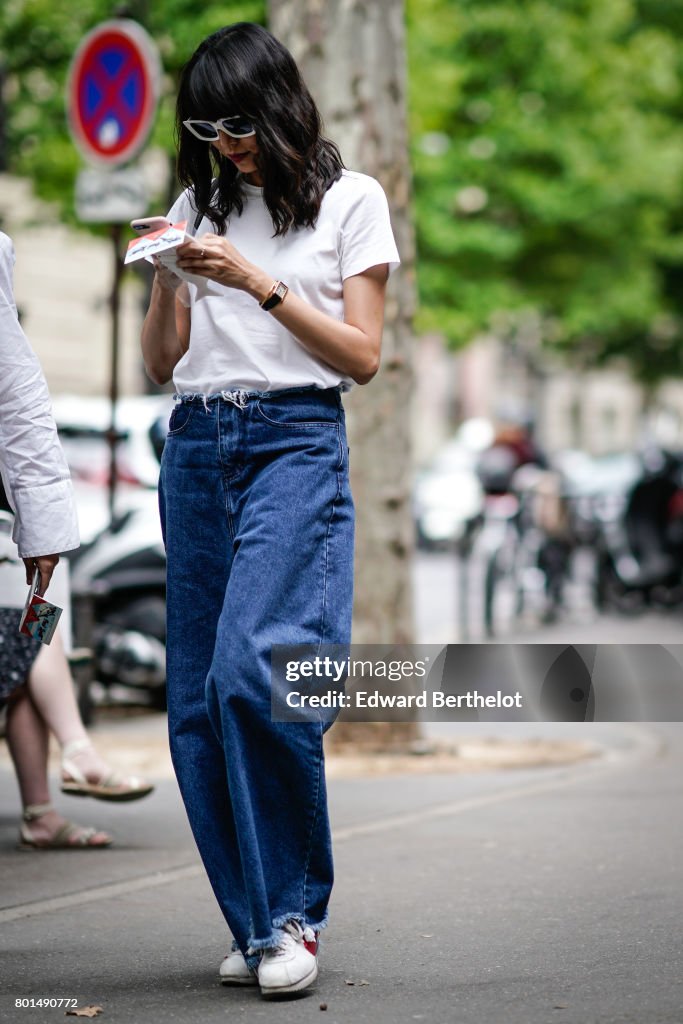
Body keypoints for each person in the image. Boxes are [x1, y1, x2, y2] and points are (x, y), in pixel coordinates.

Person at [140, 22, 399, 999]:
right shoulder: (194, 201)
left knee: (258, 669)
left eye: (238, 121)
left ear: (280, 104)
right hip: (197, 443)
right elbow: (161, 364)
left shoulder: (350, 200)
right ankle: (254, 921)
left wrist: (256, 283)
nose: (224, 143)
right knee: (199, 700)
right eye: (204, 125)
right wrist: (171, 279)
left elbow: (362, 356)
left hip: (293, 438)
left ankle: (291, 914)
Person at [0, 232, 153, 848]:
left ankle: (45, 807)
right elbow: (20, 405)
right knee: (37, 628)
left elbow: (18, 405)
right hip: (16, 555)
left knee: (38, 621)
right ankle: (78, 755)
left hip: (13, 539)